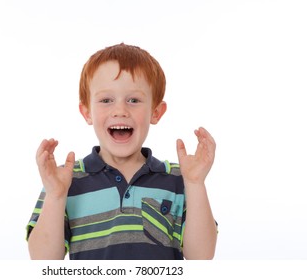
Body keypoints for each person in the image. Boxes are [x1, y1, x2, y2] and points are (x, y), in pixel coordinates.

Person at [26, 43, 217, 260]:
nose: (120, 111)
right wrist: (55, 196)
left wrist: (195, 184)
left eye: (133, 100)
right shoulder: (65, 181)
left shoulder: (178, 179)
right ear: (87, 112)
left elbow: (202, 259)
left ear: (156, 112)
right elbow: (43, 263)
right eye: (106, 100)